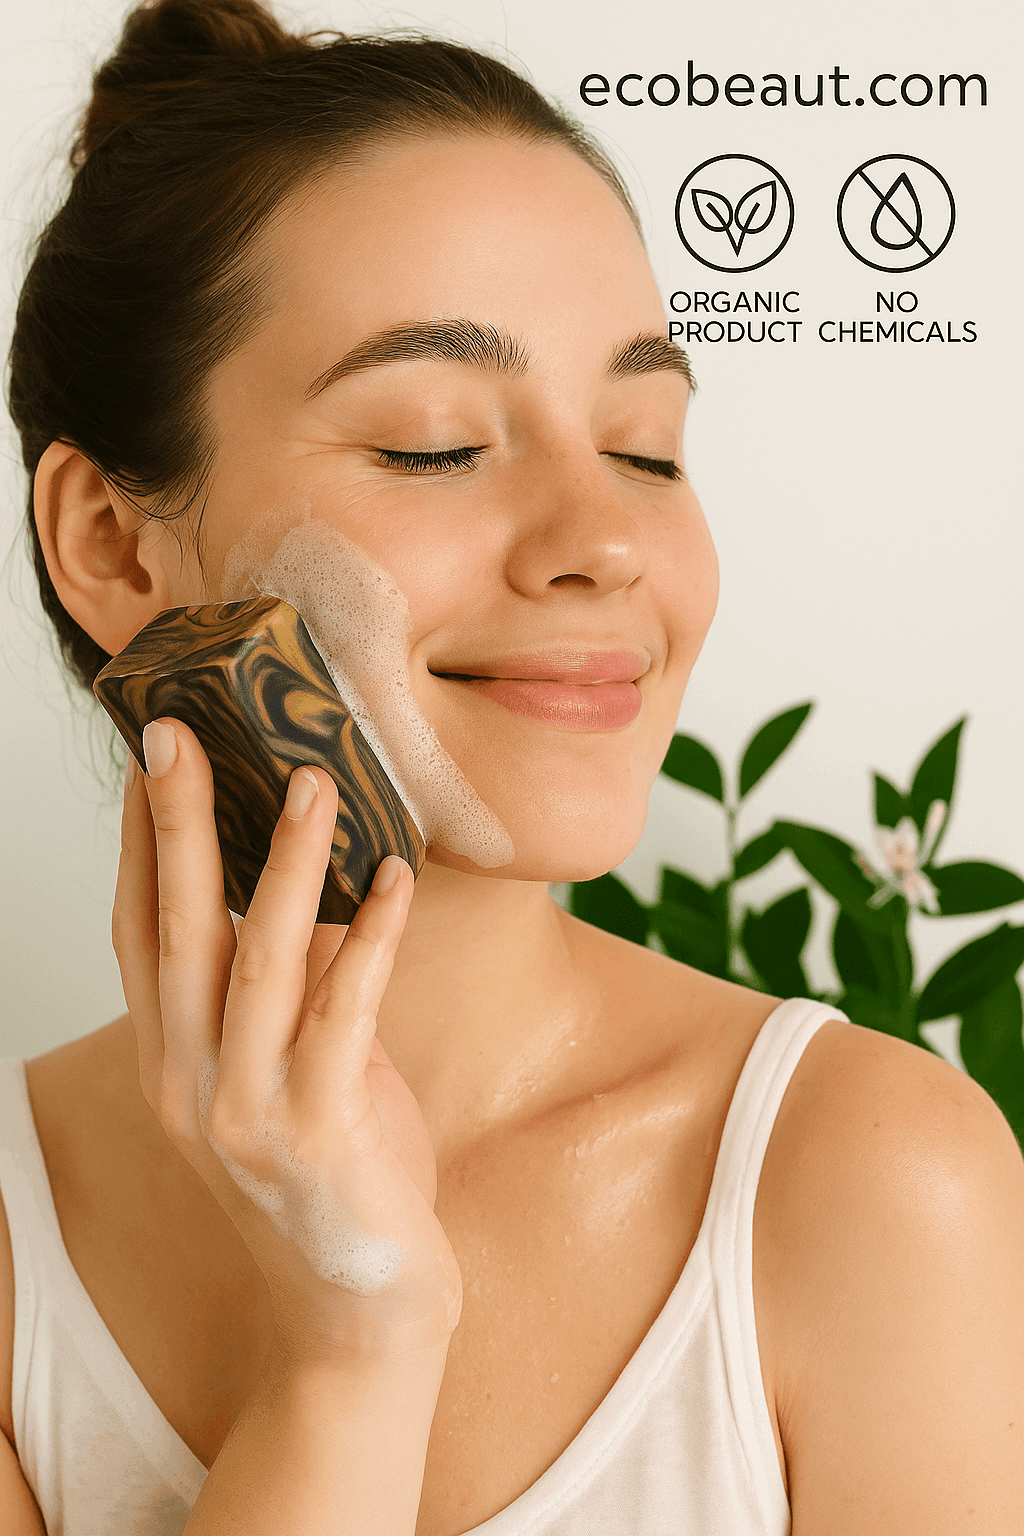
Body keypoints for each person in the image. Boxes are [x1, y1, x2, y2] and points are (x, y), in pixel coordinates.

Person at [2, 3, 1023, 1533]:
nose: (607, 541)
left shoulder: (873, 1183)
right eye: (431, 444)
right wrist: (353, 1340)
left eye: (647, 446)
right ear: (105, 540)